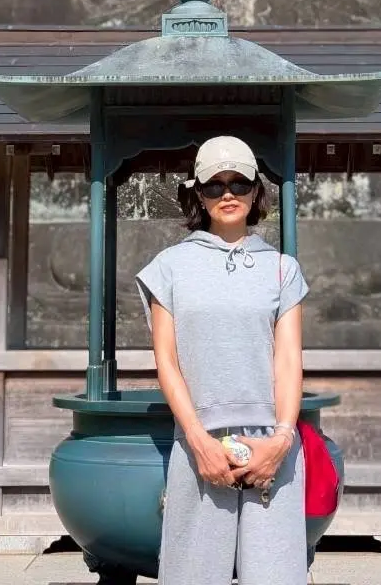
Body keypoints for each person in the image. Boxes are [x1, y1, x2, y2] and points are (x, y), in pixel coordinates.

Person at [135, 135, 309, 585]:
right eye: (215, 185)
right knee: (193, 576)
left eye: (239, 182)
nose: (228, 193)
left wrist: (281, 442)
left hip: (273, 444)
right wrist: (197, 440)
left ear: (256, 191)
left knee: (275, 576)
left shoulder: (281, 269)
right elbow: (166, 361)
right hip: (199, 444)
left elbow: (289, 360)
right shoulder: (168, 267)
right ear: (198, 193)